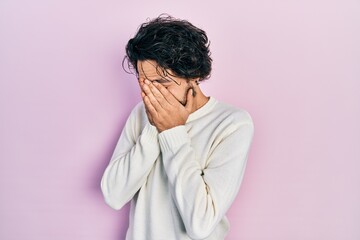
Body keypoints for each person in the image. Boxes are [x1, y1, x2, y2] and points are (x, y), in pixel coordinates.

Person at [101, 14, 255, 240]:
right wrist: (155, 127)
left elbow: (201, 225)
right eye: (145, 83)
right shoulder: (141, 114)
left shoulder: (233, 124)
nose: (152, 94)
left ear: (195, 76)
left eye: (162, 83)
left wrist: (173, 131)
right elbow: (114, 195)